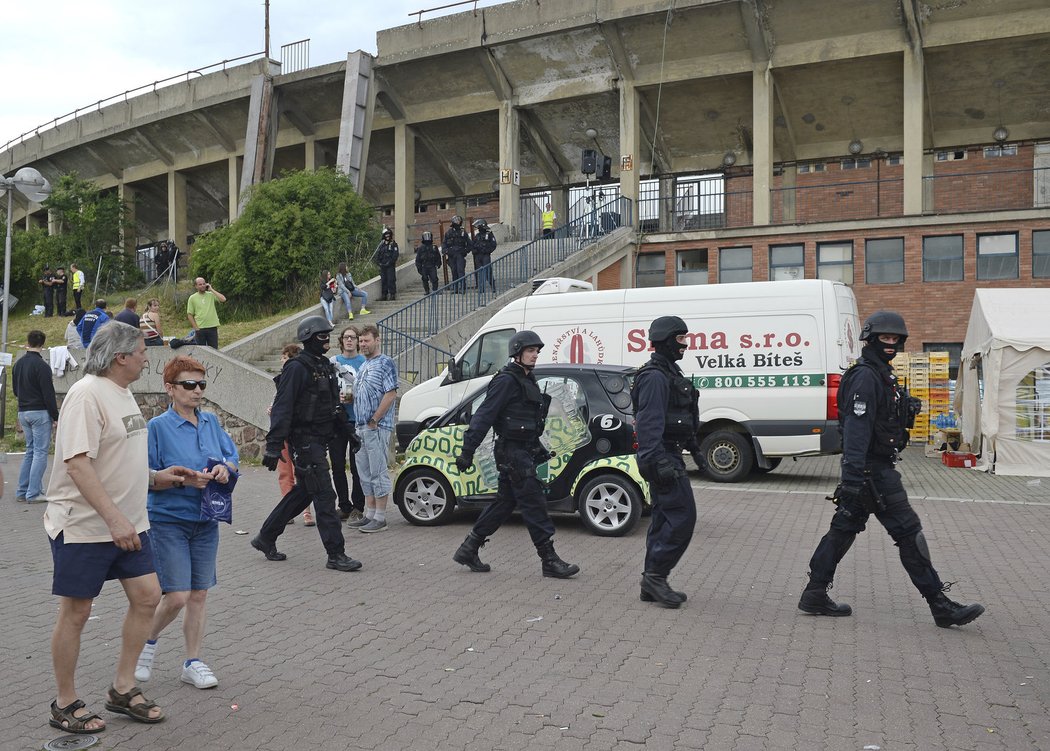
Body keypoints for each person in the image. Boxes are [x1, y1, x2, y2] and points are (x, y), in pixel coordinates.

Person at [44, 322, 194, 734]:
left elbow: (115, 456)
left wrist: (155, 478)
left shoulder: (121, 392)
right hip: (86, 526)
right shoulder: (86, 394)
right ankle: (65, 702)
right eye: (143, 351)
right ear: (120, 357)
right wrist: (113, 518)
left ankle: (123, 689)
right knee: (77, 611)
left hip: (129, 523)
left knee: (148, 596)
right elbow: (77, 464)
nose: (148, 357)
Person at [799, 310, 986, 628]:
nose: (890, 343)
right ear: (870, 340)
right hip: (873, 473)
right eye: (884, 338)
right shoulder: (865, 377)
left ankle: (815, 593)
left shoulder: (883, 375)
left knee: (842, 530)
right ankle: (940, 605)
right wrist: (854, 478)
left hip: (871, 470)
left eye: (895, 339)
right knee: (909, 533)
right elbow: (857, 432)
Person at [134, 355, 238, 691]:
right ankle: (146, 642)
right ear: (170, 388)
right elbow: (144, 476)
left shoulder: (210, 421)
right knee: (176, 596)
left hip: (206, 519)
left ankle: (193, 662)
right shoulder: (157, 428)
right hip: (169, 521)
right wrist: (181, 480)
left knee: (199, 595)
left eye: (201, 385)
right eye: (189, 385)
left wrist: (225, 469)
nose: (197, 391)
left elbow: (231, 456)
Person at [451, 331, 579, 578]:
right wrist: (467, 451)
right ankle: (549, 559)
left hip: (524, 450)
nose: (535, 355)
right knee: (534, 504)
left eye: (537, 351)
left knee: (504, 503)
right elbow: (484, 415)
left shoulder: (526, 379)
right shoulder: (506, 380)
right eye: (530, 351)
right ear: (517, 352)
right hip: (512, 453)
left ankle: (469, 548)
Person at [253, 316, 362, 571]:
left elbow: (334, 406)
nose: (326, 340)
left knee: (304, 493)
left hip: (319, 440)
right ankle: (336, 554)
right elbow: (283, 407)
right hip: (304, 443)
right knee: (325, 494)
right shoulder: (296, 368)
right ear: (310, 337)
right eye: (322, 335)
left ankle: (266, 537)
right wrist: (273, 445)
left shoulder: (324, 366)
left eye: (328, 335)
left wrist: (349, 432)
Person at [631, 316, 703, 608]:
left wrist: (696, 451)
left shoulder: (669, 372)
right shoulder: (654, 377)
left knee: (663, 519)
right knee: (683, 517)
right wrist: (656, 461)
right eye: (681, 338)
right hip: (661, 455)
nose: (685, 344)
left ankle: (652, 581)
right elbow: (648, 424)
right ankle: (656, 576)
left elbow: (681, 418)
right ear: (667, 339)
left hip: (668, 453)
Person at [349, 324, 398, 533]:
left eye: (366, 340)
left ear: (377, 340)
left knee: (378, 472)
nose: (362, 344)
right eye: (361, 341)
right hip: (361, 427)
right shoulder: (363, 366)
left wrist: (375, 419)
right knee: (365, 473)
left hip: (376, 427)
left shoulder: (385, 363)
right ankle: (369, 513)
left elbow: (391, 392)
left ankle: (380, 517)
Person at [13, 330, 59, 504]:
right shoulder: (42, 366)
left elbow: (16, 391)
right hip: (39, 412)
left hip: (23, 411)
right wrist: (55, 416)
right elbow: (48, 394)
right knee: (40, 452)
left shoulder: (18, 364)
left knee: (30, 451)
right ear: (43, 344)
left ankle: (22, 490)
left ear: (28, 342)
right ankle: (34, 493)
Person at [331, 326, 367, 522]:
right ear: (342, 340)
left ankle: (358, 506)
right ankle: (343, 505)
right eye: (346, 337)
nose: (350, 341)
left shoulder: (364, 362)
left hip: (356, 420)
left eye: (353, 337)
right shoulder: (333, 362)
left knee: (356, 467)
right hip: (337, 421)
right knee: (337, 465)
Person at [186, 277, 226, 349]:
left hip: (212, 327)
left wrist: (211, 289)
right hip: (200, 328)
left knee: (214, 350)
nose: (202, 286)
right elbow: (190, 314)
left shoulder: (211, 294)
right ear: (196, 286)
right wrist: (196, 328)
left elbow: (223, 299)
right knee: (201, 350)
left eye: (204, 284)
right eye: (200, 284)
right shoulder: (192, 298)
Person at [442, 215, 470, 293]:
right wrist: (446, 251)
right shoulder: (448, 233)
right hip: (452, 255)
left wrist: (465, 251)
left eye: (459, 220)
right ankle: (456, 288)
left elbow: (469, 244)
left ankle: (463, 288)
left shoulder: (463, 232)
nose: (457, 222)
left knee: (460, 271)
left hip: (460, 255)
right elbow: (444, 244)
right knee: (454, 272)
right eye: (456, 220)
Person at [471, 219, 497, 295]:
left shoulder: (489, 234)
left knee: (488, 272)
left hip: (485, 256)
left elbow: (493, 244)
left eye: (479, 226)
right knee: (479, 273)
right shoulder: (477, 236)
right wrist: (474, 250)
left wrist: (487, 250)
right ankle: (481, 289)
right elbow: (473, 245)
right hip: (478, 256)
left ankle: (493, 287)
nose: (478, 228)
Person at [375, 228, 399, 302]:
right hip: (383, 266)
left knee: (391, 280)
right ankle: (384, 295)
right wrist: (379, 263)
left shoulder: (393, 244)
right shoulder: (381, 245)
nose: (387, 236)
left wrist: (390, 262)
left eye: (389, 235)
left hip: (390, 266)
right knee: (384, 281)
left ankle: (392, 294)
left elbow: (395, 255)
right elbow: (378, 255)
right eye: (386, 235)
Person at [414, 231, 440, 295]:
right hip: (424, 266)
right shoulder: (421, 248)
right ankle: (427, 291)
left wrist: (438, 263)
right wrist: (419, 268)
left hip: (432, 265)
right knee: (424, 278)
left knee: (434, 278)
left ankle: (435, 290)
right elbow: (418, 259)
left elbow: (438, 256)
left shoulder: (434, 247)